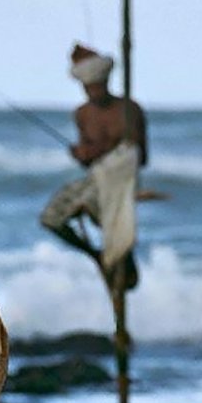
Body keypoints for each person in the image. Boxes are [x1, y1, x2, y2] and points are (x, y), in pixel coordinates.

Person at [39, 43, 146, 288]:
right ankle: (95, 255)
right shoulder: (82, 114)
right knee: (50, 218)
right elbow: (88, 159)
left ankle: (120, 262)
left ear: (105, 82)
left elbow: (141, 156)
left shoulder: (129, 110)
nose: (92, 92)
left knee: (102, 213)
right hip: (97, 178)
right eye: (88, 87)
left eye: (96, 86)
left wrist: (106, 150)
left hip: (121, 179)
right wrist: (82, 154)